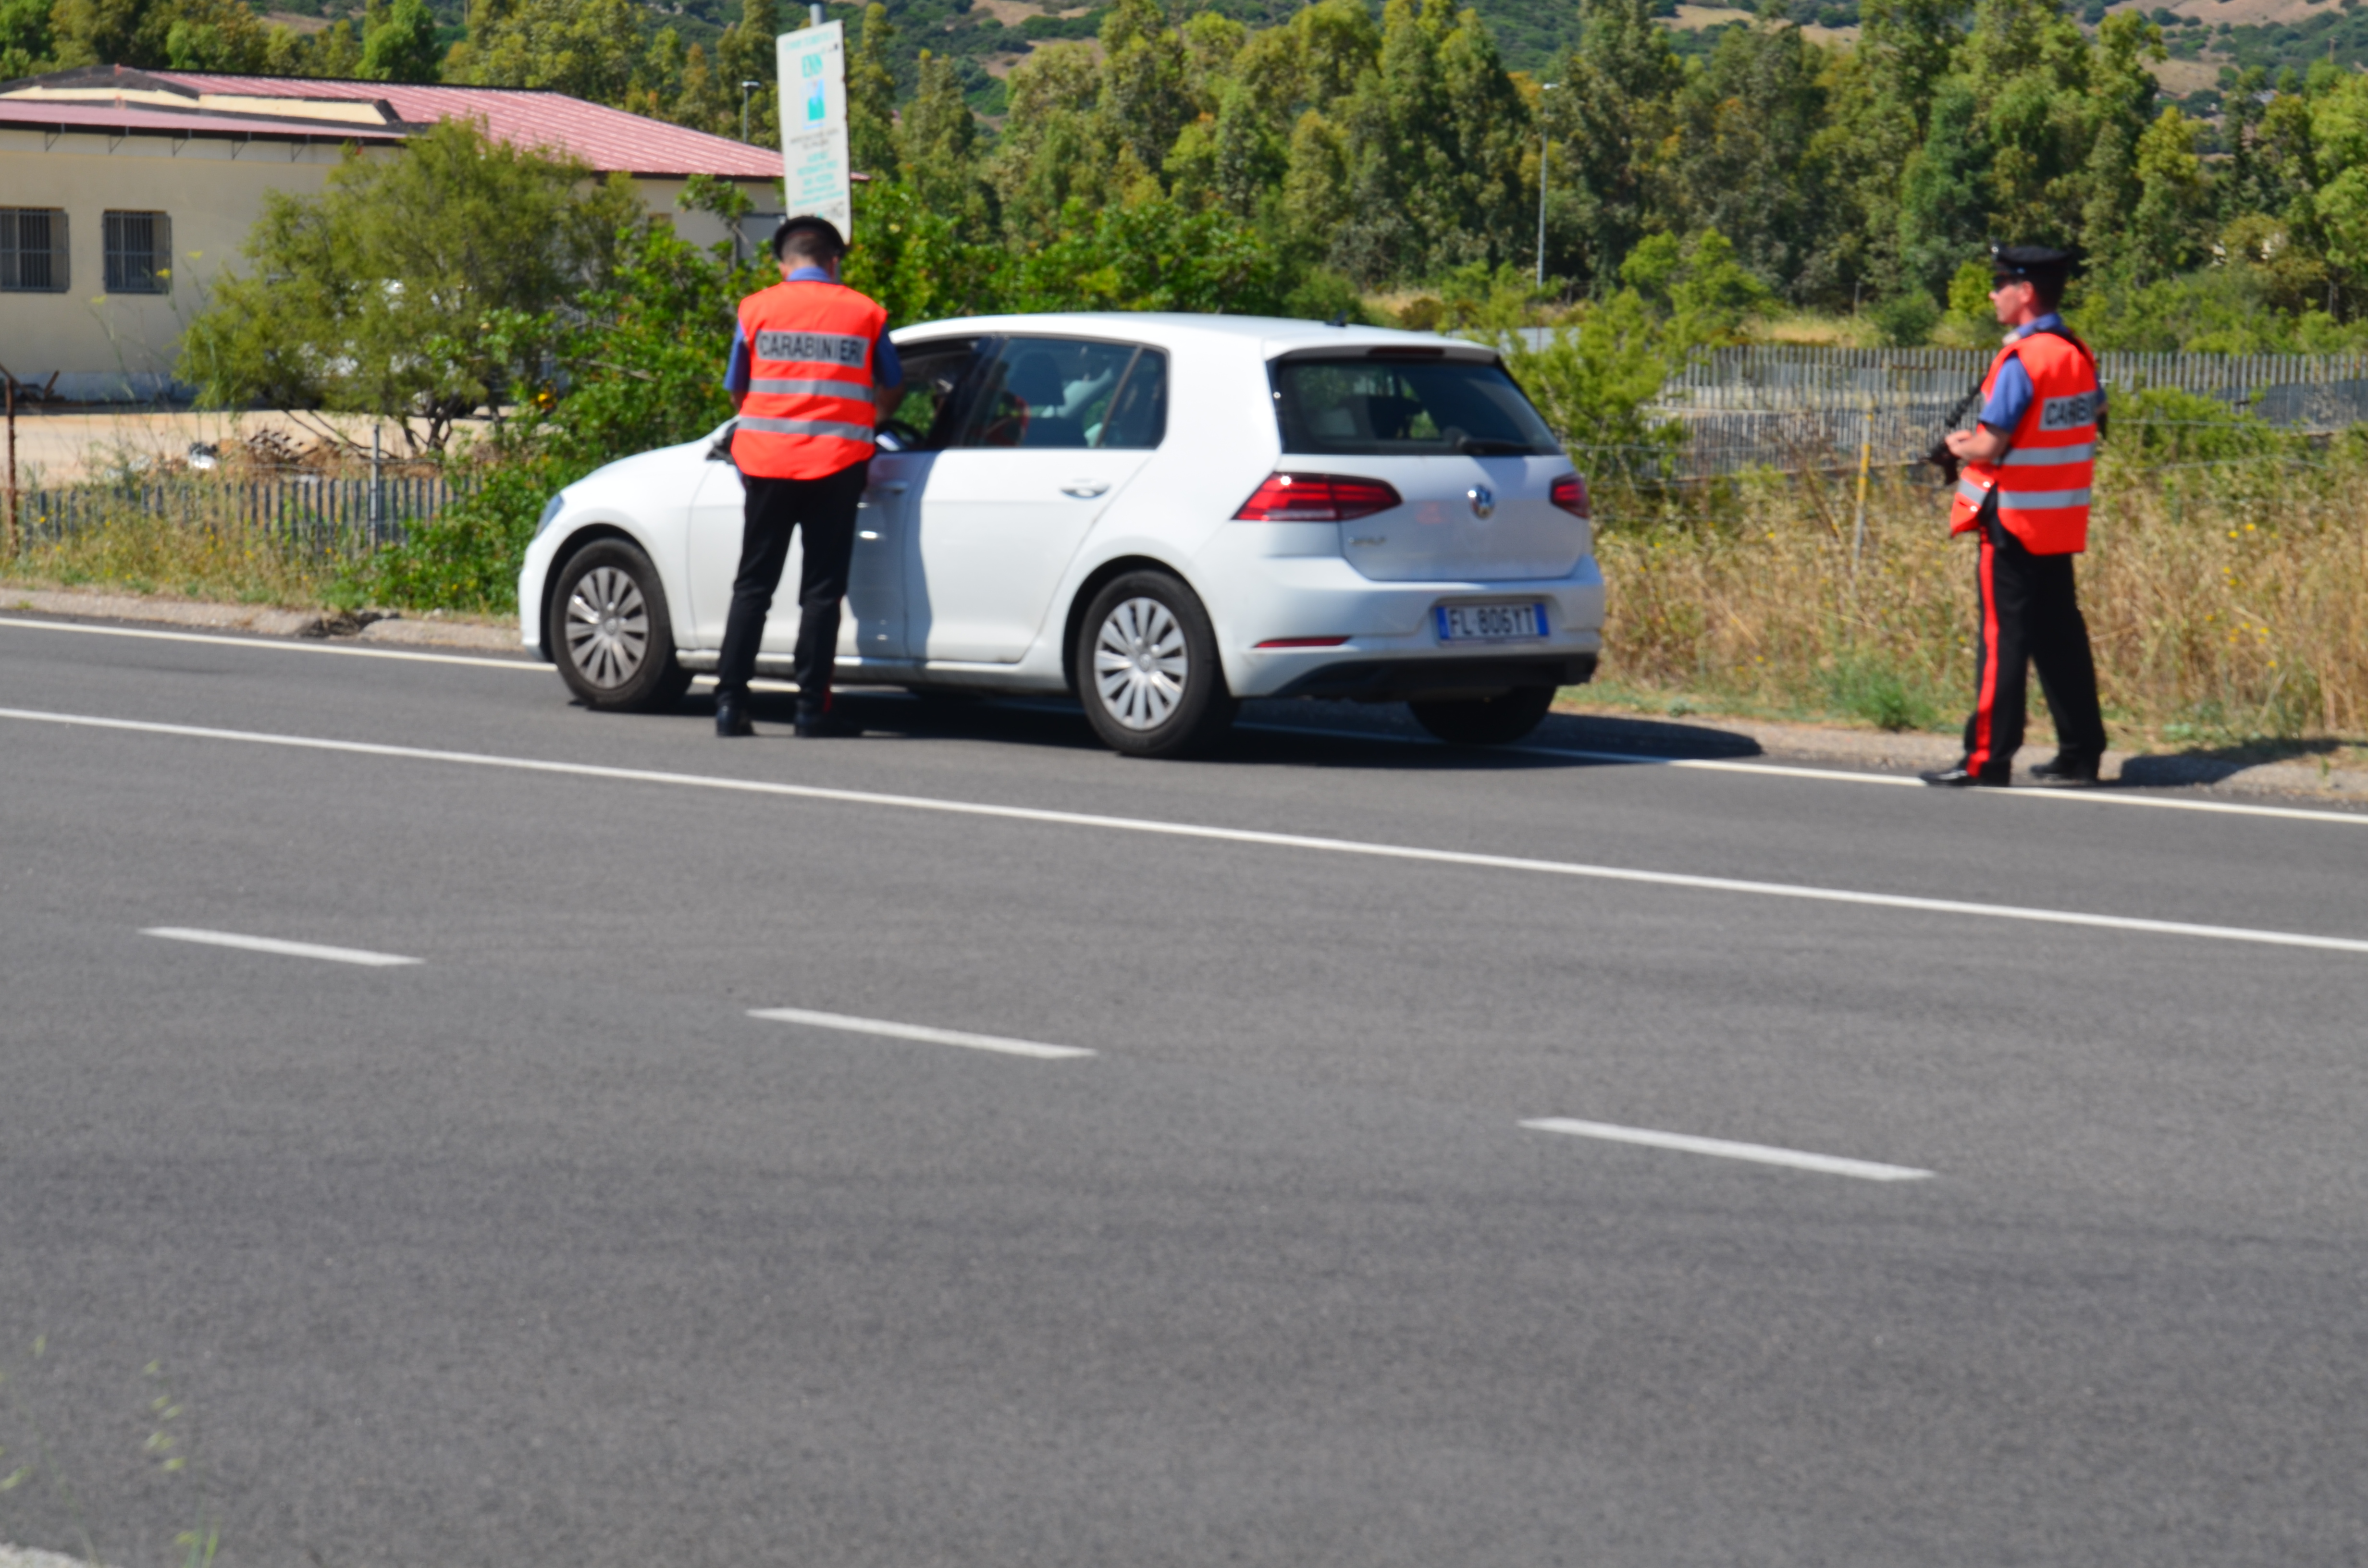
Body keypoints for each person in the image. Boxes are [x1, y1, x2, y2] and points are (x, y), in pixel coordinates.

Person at [1921, 243, 2109, 788]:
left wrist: (1955, 445)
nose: (1992, 292)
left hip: (2012, 522)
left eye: (2000, 282)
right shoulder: (2074, 352)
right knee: (2060, 642)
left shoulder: (2020, 361)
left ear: (2024, 293)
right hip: (2059, 521)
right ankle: (2079, 754)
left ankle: (1985, 759)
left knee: (2002, 642)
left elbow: (1989, 445)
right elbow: (2093, 409)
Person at [714, 214, 904, 738]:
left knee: (753, 585)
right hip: (837, 466)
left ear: (783, 263)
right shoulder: (865, 313)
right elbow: (893, 385)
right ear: (833, 262)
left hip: (765, 465)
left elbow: (738, 389)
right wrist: (872, 421)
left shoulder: (755, 309)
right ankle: (810, 709)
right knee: (821, 592)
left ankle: (731, 706)